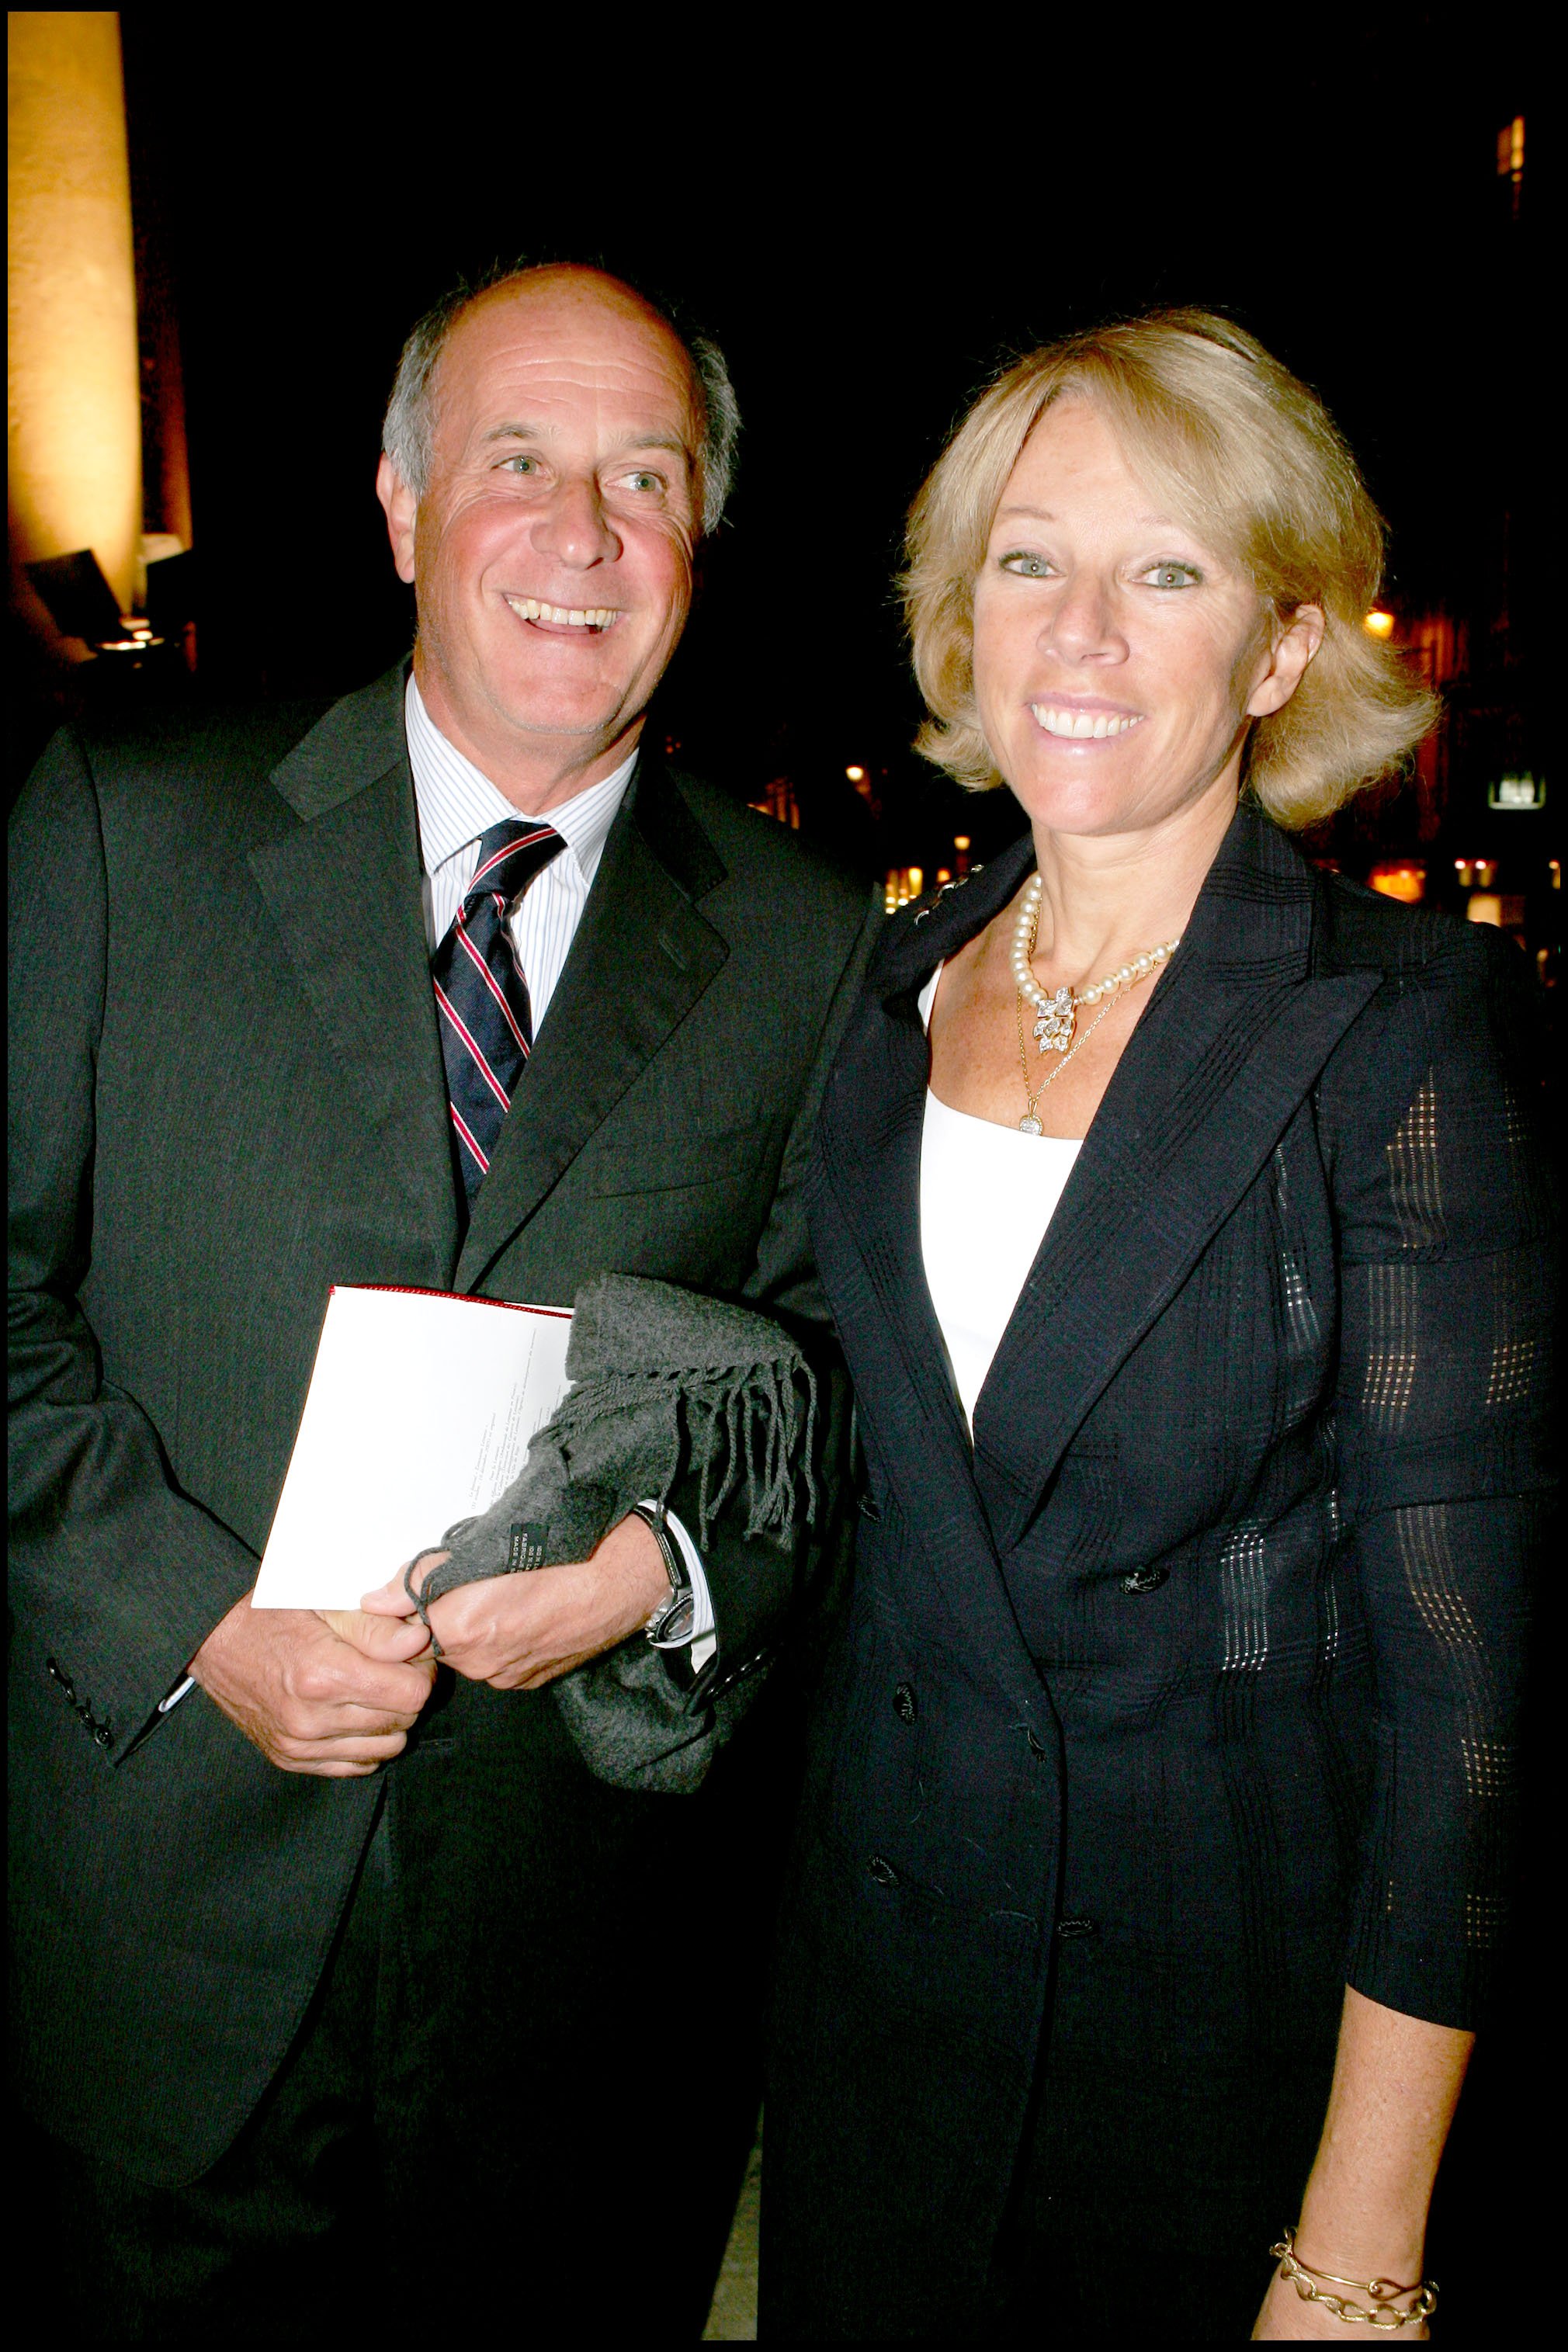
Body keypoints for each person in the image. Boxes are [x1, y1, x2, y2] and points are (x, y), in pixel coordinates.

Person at [9, 262, 872, 2341]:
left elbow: (816, 1392)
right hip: (155, 1961)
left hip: (570, 2002)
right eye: (519, 464)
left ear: (698, 538)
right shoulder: (127, 825)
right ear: (399, 507)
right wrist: (189, 1619)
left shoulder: (807, 942)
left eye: (643, 477)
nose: (583, 533)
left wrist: (651, 1568)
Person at [761, 310, 1556, 2341]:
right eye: (1029, 560)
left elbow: (1464, 1711)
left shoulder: (1390, 1030)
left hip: (1207, 2051)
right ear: (961, 618)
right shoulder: (882, 993)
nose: (1082, 630)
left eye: (1168, 570)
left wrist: (1353, 2258)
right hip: (873, 2018)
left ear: (1280, 648)